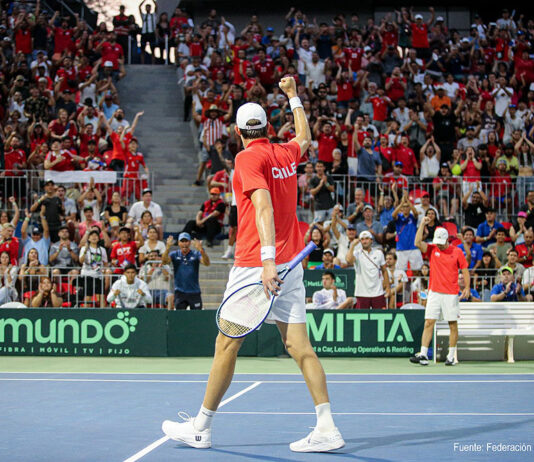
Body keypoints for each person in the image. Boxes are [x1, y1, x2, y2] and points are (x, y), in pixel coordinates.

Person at [162, 78, 345, 452]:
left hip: (255, 266)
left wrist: (266, 261)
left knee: (226, 345)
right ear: (266, 129)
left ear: (237, 131)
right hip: (290, 265)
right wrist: (293, 96)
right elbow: (305, 137)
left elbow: (263, 207)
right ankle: (327, 428)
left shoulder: (247, 159)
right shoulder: (284, 153)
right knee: (299, 347)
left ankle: (201, 428)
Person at [410, 219, 470, 366]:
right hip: (434, 292)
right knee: (429, 322)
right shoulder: (432, 248)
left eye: (442, 242)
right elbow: (417, 242)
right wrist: (422, 224)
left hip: (451, 293)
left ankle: (451, 356)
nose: (440, 245)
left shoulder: (457, 252)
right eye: (438, 242)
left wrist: (467, 287)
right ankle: (423, 354)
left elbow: (465, 270)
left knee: (452, 324)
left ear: (447, 240)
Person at [162, 232, 210, 310]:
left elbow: (206, 263)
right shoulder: (174, 254)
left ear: (190, 242)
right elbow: (164, 261)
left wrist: (201, 250)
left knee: (197, 315)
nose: (184, 244)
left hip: (194, 292)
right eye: (182, 241)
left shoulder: (196, 253)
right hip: (180, 292)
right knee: (180, 315)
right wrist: (167, 248)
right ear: (178, 243)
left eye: (186, 241)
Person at [347, 230, 390, 309]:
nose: (364, 241)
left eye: (367, 238)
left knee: (380, 315)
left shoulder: (379, 253)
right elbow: (349, 260)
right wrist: (352, 246)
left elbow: (384, 270)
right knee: (362, 316)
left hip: (378, 292)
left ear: (371, 240)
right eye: (362, 239)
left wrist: (388, 287)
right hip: (362, 292)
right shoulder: (356, 253)